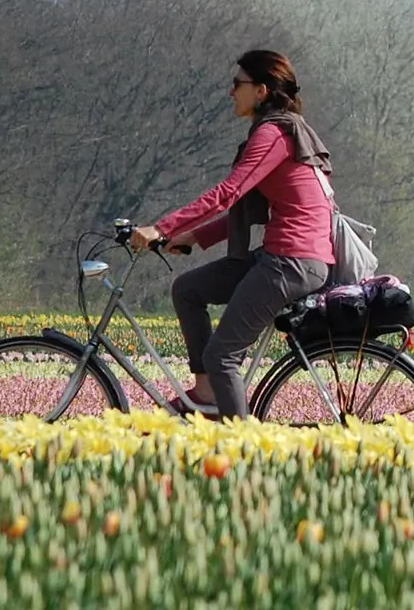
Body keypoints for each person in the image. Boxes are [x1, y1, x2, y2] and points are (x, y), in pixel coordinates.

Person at [129, 50, 335, 420]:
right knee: (187, 289)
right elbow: (247, 210)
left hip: (291, 263)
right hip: (284, 256)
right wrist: (192, 237)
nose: (230, 92)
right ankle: (207, 394)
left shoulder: (273, 134)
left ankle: (240, 452)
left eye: (237, 84)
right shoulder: (280, 130)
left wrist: (162, 226)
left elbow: (228, 194)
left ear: (261, 91)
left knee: (222, 355)